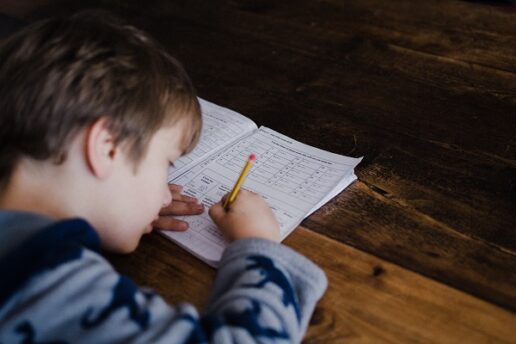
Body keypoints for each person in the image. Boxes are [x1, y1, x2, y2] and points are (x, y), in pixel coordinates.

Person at [0, 12, 327, 343]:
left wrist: (113, 208)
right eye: (167, 163)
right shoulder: (49, 283)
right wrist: (257, 246)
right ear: (107, 148)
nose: (167, 196)